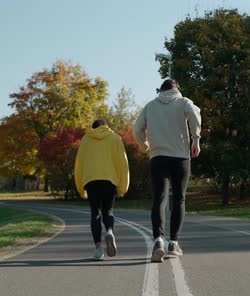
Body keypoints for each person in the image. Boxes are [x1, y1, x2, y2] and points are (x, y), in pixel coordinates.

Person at [134, 79, 201, 263]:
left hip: (158, 157)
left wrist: (145, 146)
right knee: (179, 198)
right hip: (180, 157)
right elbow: (195, 115)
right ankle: (174, 242)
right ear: (176, 89)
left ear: (161, 90)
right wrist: (196, 140)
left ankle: (158, 240)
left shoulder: (150, 106)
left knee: (159, 199)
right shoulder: (184, 102)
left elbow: (136, 129)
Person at [74, 119, 129, 261]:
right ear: (106, 126)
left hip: (91, 180)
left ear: (93, 128)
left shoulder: (86, 140)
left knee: (95, 213)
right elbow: (123, 163)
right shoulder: (115, 138)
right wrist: (123, 187)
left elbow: (79, 164)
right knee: (108, 211)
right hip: (110, 180)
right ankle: (110, 231)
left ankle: (98, 249)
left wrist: (81, 189)